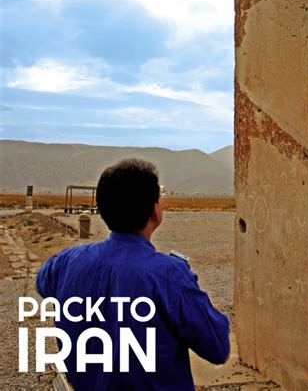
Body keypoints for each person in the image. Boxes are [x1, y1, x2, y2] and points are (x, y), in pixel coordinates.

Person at [36, 158, 230, 390]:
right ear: (155, 211)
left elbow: (42, 282)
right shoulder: (169, 276)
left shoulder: (66, 263)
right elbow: (218, 348)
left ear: (103, 208)